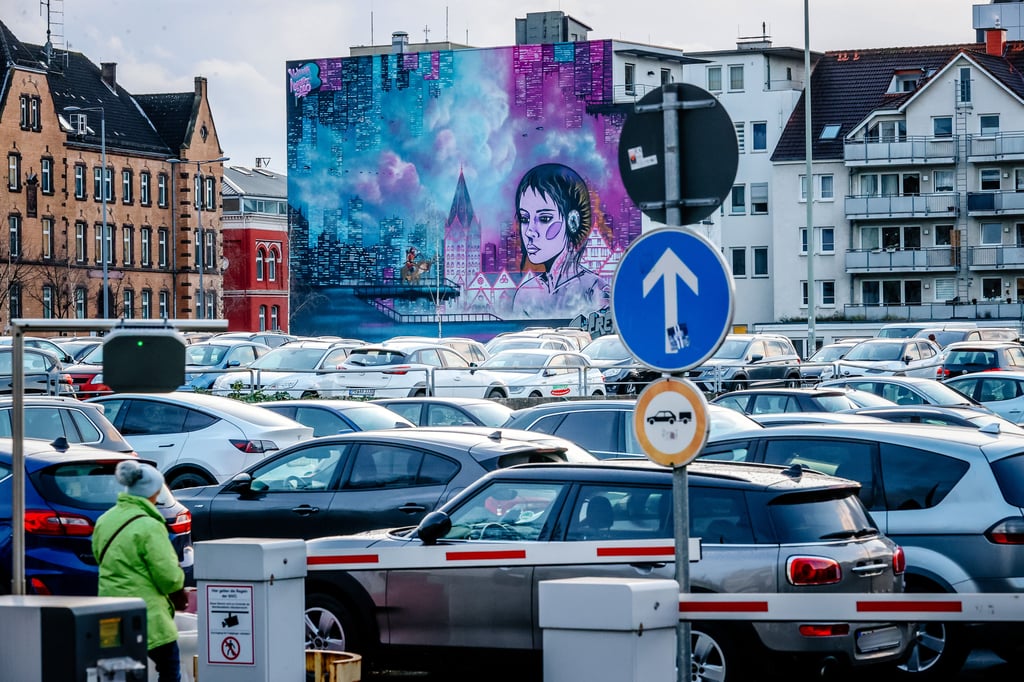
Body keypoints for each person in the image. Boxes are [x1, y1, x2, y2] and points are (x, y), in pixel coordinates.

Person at [93, 460, 185, 682]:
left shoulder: (104, 520)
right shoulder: (149, 525)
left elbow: (98, 555)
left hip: (109, 612)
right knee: (169, 667)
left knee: (120, 672)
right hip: (145, 613)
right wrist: (179, 588)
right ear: (153, 491)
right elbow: (168, 576)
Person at [511, 163, 609, 317]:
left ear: (573, 221)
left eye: (544, 218)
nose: (530, 231)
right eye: (524, 218)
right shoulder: (525, 294)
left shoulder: (594, 288)